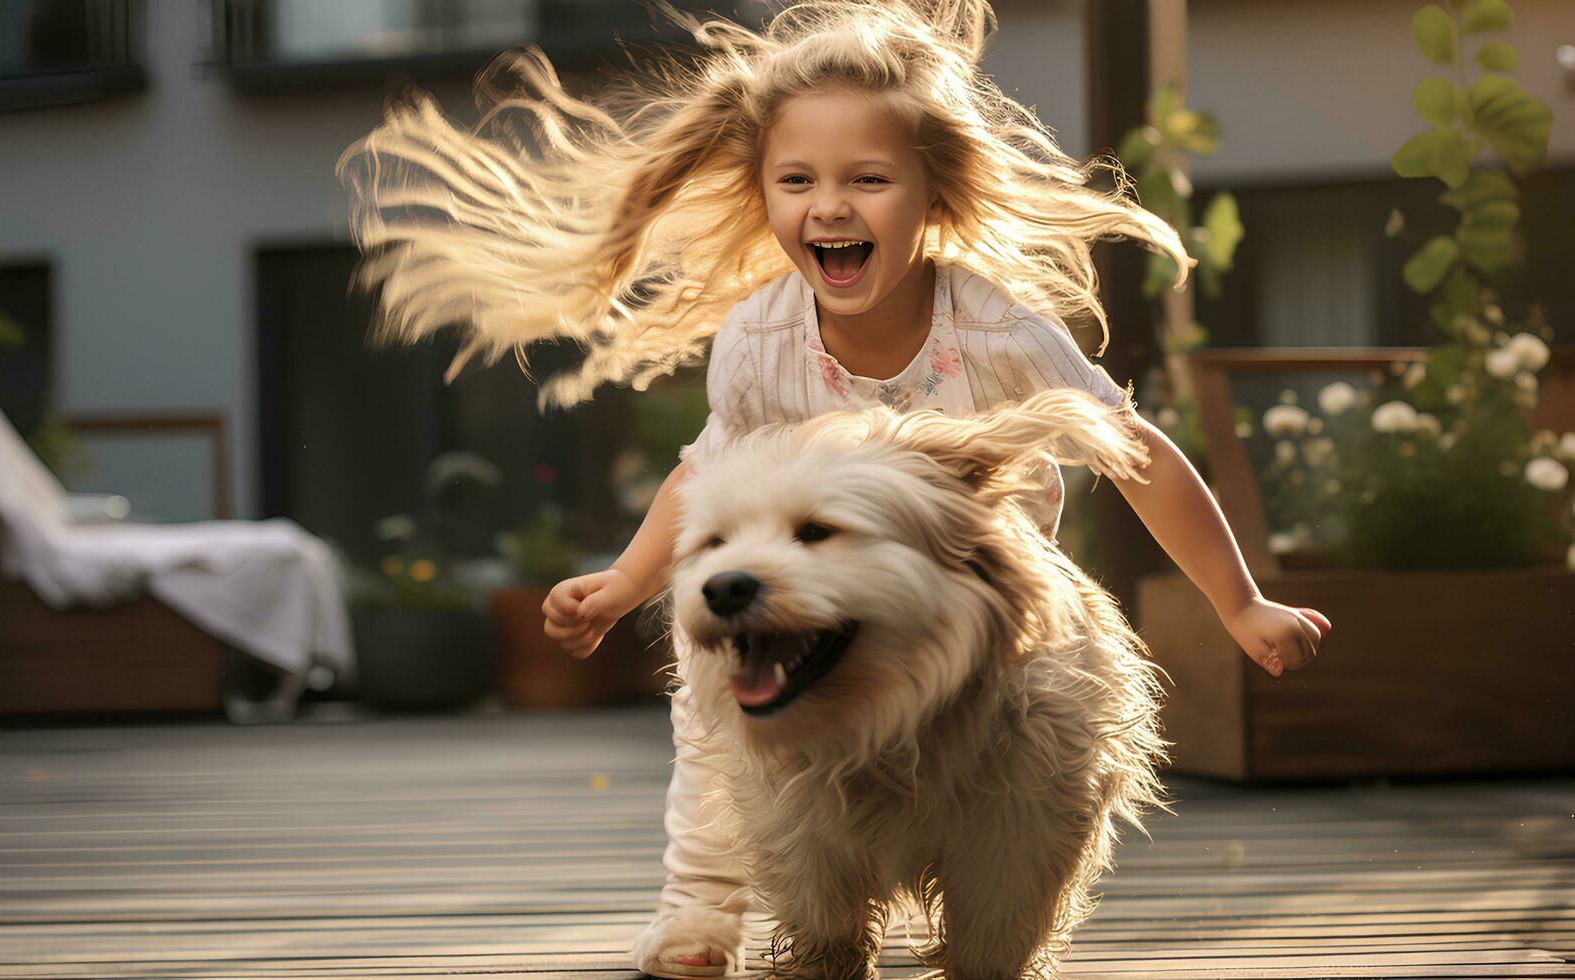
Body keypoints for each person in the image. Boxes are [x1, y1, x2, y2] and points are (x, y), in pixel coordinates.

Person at [340, 2, 1330, 974]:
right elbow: (705, 473)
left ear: (933, 193)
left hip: (975, 607)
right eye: (797, 179)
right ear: (764, 195)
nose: (830, 205)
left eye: (869, 178)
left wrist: (1238, 601)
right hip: (802, 614)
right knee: (710, 694)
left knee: (1027, 785)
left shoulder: (995, 328)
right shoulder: (762, 335)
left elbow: (1134, 451)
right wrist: (627, 580)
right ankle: (706, 900)